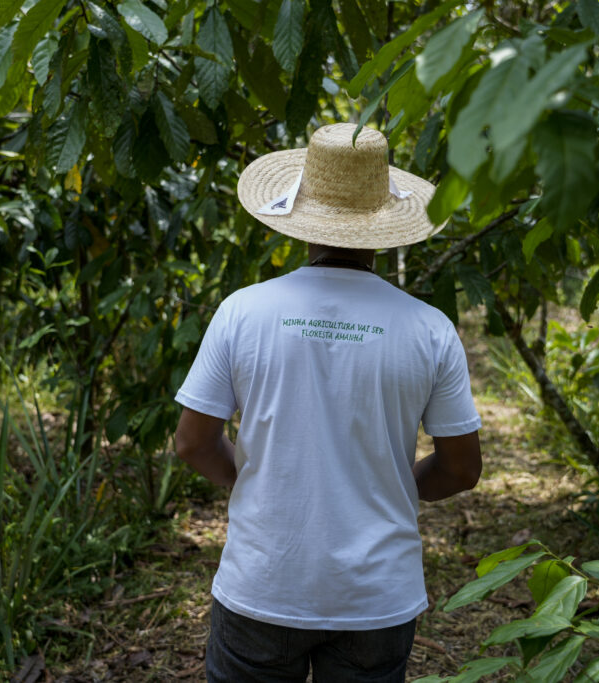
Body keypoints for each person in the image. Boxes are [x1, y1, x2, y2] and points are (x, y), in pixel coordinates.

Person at [174, 122, 482, 682]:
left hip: (263, 582)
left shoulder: (243, 311)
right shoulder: (429, 329)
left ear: (300, 215)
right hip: (377, 596)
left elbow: (193, 443)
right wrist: (385, 489)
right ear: (384, 225)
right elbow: (461, 469)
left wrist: (258, 483)